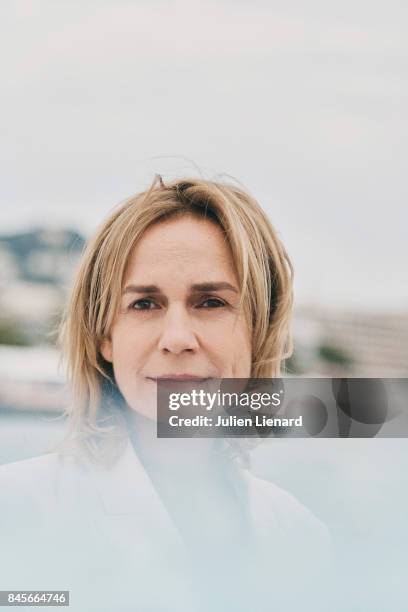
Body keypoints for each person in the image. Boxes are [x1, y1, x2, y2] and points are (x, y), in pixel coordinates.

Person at [0, 176, 330, 612]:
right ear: (106, 337)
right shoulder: (16, 510)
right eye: (144, 304)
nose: (177, 339)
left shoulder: (299, 537)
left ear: (259, 332)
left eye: (211, 302)